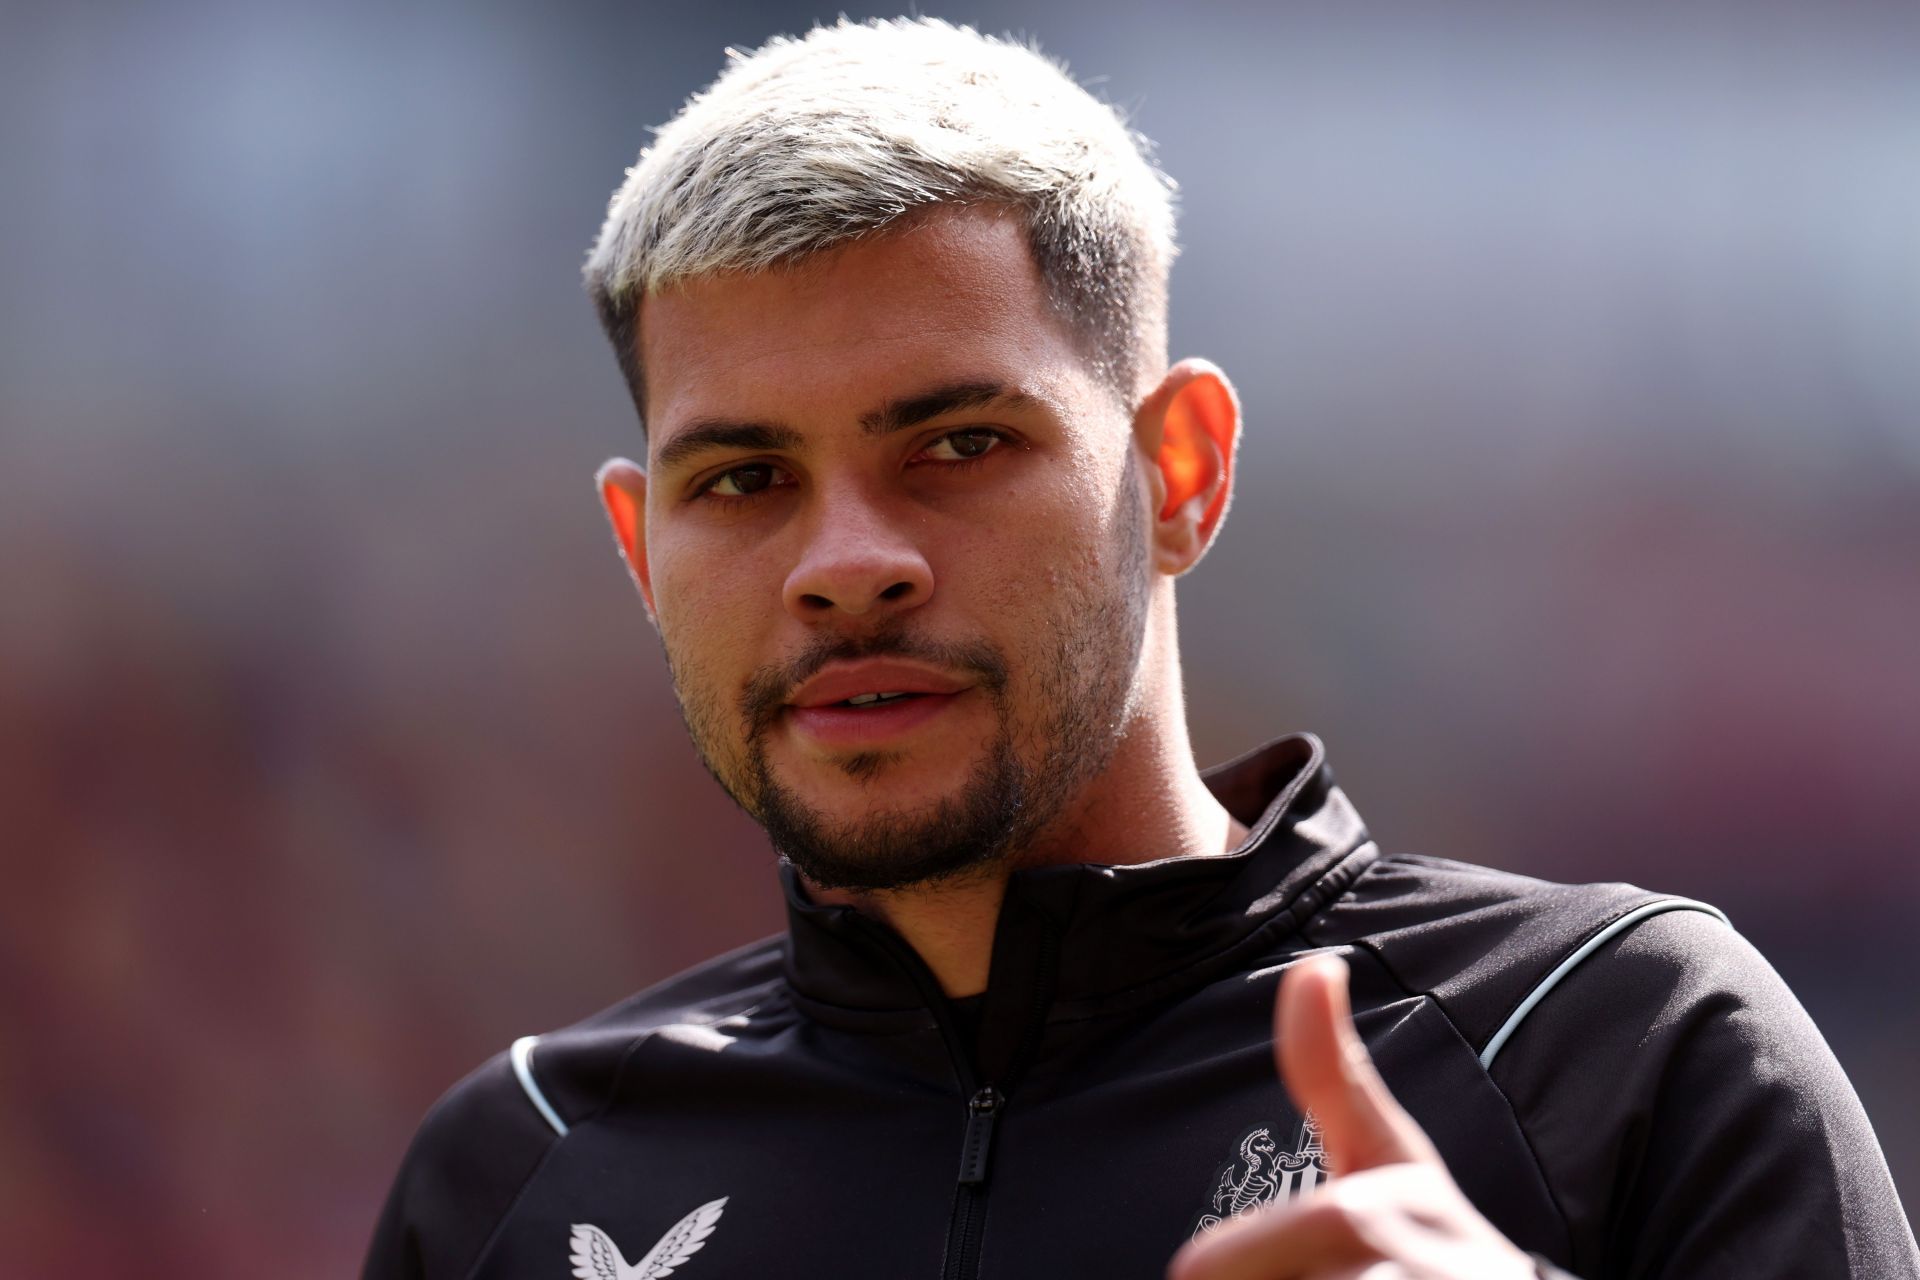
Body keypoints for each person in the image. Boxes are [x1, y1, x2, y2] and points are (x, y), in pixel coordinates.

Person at [363, 18, 1918, 1280]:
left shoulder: (1618, 1047)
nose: (847, 566)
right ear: (643, 553)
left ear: (1179, 472)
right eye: (745, 481)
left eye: (960, 445)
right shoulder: (518, 1165)